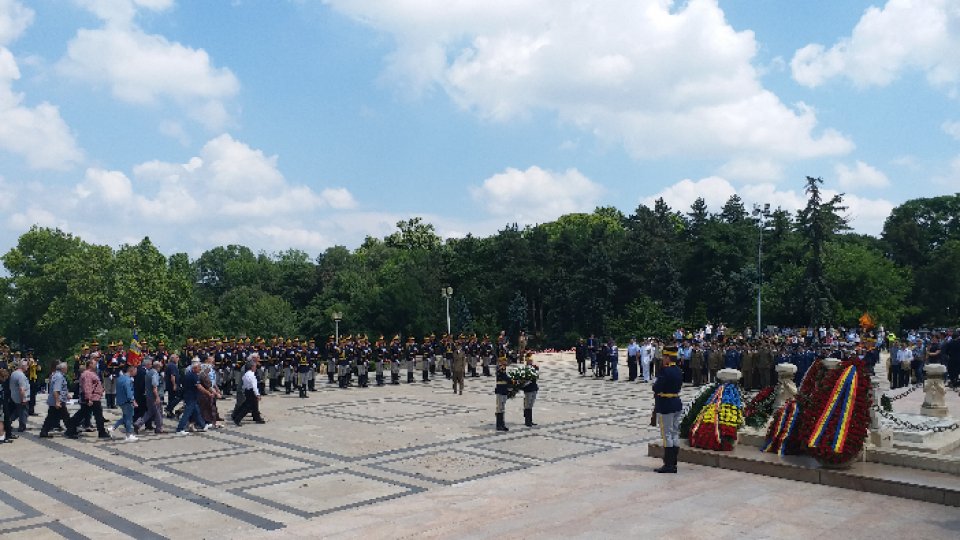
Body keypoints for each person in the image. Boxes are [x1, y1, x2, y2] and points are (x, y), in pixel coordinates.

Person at [653, 346, 683, 474]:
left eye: (664, 357)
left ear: (667, 357)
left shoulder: (665, 371)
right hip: (676, 403)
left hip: (666, 404)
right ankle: (674, 463)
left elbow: (656, 387)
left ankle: (668, 464)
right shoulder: (678, 370)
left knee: (667, 434)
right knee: (675, 433)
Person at [66, 358, 109, 440]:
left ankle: (70, 428)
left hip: (93, 397)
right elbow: (87, 387)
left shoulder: (91, 373)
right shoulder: (87, 374)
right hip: (92, 398)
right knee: (97, 415)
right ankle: (101, 432)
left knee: (82, 414)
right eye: (94, 363)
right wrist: (89, 399)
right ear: (90, 365)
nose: (96, 365)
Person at [175, 359, 211, 435]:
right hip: (191, 397)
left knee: (197, 412)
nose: (200, 369)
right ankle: (179, 429)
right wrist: (208, 393)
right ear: (194, 368)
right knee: (187, 413)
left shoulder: (188, 374)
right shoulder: (193, 376)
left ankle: (203, 426)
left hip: (191, 396)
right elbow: (199, 387)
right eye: (199, 368)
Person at [39, 362, 71, 438]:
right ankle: (71, 431)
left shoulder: (56, 375)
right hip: (57, 401)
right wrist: (57, 401)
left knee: (52, 417)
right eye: (66, 368)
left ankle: (44, 431)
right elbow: (56, 390)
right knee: (65, 416)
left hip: (56, 400)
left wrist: (66, 394)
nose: (67, 369)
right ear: (63, 369)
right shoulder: (59, 376)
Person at [233, 357, 266, 426]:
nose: (255, 368)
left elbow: (244, 385)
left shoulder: (246, 374)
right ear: (252, 367)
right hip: (251, 392)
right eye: (254, 367)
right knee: (247, 407)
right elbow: (254, 386)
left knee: (248, 405)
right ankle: (237, 419)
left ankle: (236, 415)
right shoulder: (252, 375)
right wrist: (257, 394)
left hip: (247, 391)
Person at [109, 364, 138, 441]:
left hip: (120, 400)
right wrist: (133, 401)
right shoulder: (128, 380)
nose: (136, 372)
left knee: (125, 417)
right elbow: (129, 392)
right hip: (127, 401)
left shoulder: (120, 378)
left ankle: (113, 428)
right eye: (135, 370)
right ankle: (128, 435)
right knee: (129, 418)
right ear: (131, 370)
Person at [134, 360, 164, 434]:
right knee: (158, 412)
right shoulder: (154, 373)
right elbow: (154, 387)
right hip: (154, 396)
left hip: (148, 396)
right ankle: (159, 428)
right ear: (158, 367)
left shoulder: (148, 373)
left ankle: (138, 423)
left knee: (149, 412)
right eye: (160, 367)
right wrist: (157, 397)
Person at [9, 360, 29, 432]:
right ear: (23, 366)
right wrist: (23, 399)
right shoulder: (21, 376)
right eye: (27, 365)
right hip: (20, 397)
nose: (28, 367)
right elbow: (22, 389)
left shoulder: (13, 373)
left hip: (14, 397)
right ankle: (22, 427)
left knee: (17, 412)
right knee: (23, 412)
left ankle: (7, 422)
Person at [494, 356, 511, 431]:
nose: (506, 362)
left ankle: (502, 424)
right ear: (502, 362)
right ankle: (499, 425)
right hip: (500, 390)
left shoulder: (502, 368)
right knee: (500, 408)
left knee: (502, 408)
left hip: (503, 389)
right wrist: (512, 380)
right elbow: (504, 377)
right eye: (505, 361)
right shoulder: (500, 368)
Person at [522, 352, 539, 427]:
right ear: (526, 361)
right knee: (527, 405)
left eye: (531, 360)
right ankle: (527, 421)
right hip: (528, 389)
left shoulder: (534, 367)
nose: (531, 361)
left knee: (531, 404)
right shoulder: (525, 369)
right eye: (529, 360)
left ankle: (530, 420)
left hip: (534, 387)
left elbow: (536, 377)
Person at [0, 369, 14, 443]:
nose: (5, 379)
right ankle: (2, 438)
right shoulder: (2, 383)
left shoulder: (3, 383)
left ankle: (6, 435)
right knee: (1, 421)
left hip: (3, 402)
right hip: (2, 403)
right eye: (5, 377)